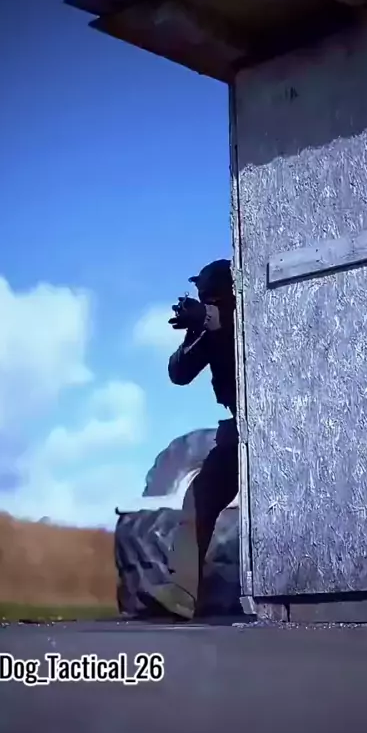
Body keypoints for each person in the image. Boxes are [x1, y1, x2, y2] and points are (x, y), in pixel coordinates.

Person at [144, 259, 239, 620]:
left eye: (209, 296)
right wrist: (195, 329)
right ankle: (182, 592)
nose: (203, 301)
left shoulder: (249, 314)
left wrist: (210, 318)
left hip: (280, 424)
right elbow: (179, 373)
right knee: (199, 498)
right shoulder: (211, 328)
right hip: (241, 426)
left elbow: (245, 327)